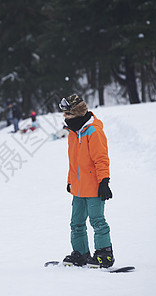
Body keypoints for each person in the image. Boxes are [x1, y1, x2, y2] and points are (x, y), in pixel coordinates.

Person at [59, 94, 115, 269]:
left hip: (94, 187)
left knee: (97, 221)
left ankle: (104, 254)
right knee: (76, 223)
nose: (64, 117)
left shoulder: (93, 131)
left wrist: (104, 181)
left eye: (67, 114)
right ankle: (81, 253)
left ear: (77, 113)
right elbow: (73, 161)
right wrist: (70, 181)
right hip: (78, 188)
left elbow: (101, 159)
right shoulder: (73, 133)